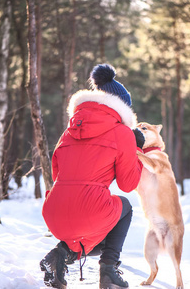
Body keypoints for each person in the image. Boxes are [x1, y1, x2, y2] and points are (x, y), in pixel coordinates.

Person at [40, 63, 145, 289]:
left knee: (92, 228)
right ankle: (108, 269)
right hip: (88, 210)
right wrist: (135, 149)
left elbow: (58, 173)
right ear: (122, 108)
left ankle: (60, 255)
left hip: (54, 213)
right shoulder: (122, 133)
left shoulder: (68, 132)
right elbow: (128, 184)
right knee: (124, 208)